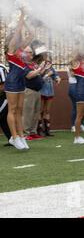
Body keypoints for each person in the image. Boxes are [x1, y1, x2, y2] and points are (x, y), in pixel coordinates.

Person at [4, 11, 43, 150]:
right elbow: (17, 33)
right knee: (12, 110)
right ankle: (14, 137)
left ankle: (21, 136)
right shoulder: (11, 49)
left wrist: (25, 19)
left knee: (19, 111)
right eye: (15, 38)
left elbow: (32, 34)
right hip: (12, 81)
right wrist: (21, 14)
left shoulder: (20, 49)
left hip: (21, 82)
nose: (19, 38)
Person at [23, 44, 49, 141]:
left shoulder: (32, 64)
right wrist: (39, 69)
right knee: (27, 113)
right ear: (23, 54)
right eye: (27, 52)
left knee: (35, 113)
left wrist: (43, 68)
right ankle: (25, 133)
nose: (30, 54)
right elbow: (29, 76)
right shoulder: (24, 64)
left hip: (37, 91)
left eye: (31, 52)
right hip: (29, 91)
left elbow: (38, 74)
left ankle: (33, 132)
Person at [38, 47, 60, 137]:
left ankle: (47, 130)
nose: (47, 57)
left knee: (47, 111)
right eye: (45, 55)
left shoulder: (51, 67)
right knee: (40, 110)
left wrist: (58, 79)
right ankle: (39, 129)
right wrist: (46, 73)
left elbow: (56, 76)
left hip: (50, 91)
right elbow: (38, 77)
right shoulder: (39, 65)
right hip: (41, 91)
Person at [0, 64, 12, 146]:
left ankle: (13, 138)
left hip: (4, 96)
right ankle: (11, 138)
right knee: (3, 119)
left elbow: (3, 86)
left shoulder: (1, 68)